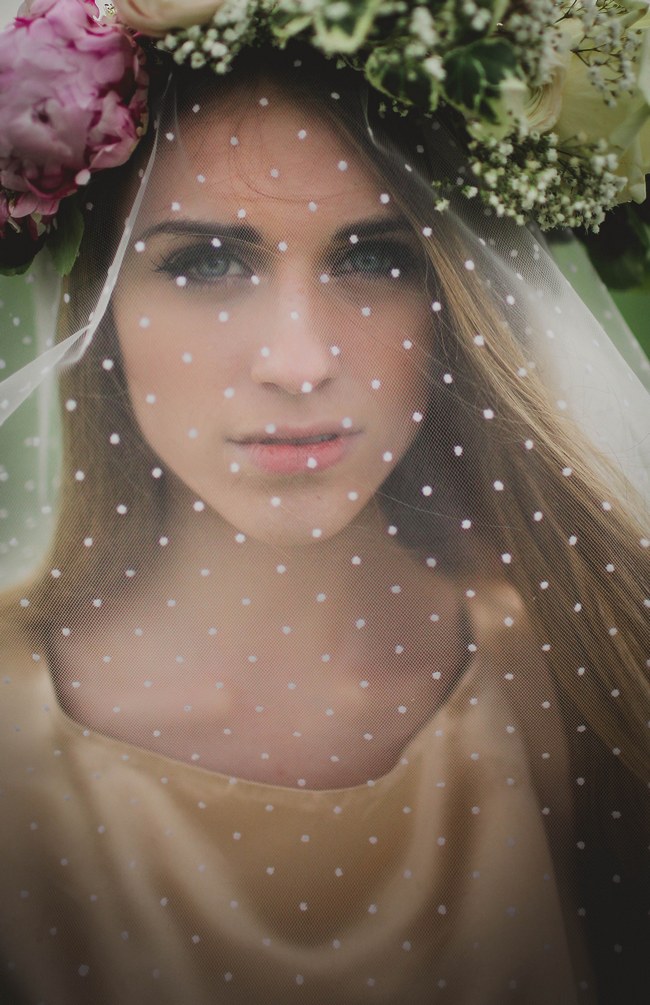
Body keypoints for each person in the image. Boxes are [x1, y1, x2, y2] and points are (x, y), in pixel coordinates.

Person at [0, 5, 647, 1004]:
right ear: (98, 303)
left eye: (372, 257)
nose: (298, 364)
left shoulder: (586, 680)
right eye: (207, 262)